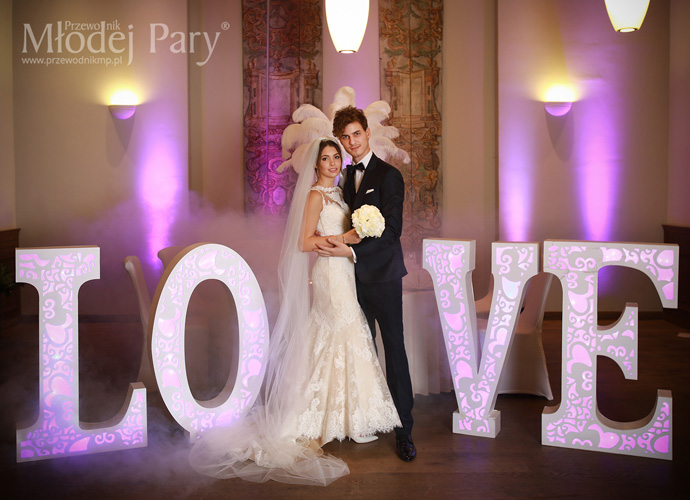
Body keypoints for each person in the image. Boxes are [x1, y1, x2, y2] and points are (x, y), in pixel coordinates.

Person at [189, 137, 400, 486]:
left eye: (336, 157)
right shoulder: (315, 195)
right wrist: (342, 240)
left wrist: (359, 233)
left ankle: (352, 419)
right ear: (315, 165)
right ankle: (319, 419)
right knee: (342, 332)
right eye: (326, 159)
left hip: (346, 270)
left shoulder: (340, 193)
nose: (333, 163)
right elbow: (303, 242)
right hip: (330, 273)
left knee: (348, 334)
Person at [315, 106, 416, 462]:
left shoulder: (389, 176)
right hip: (349, 282)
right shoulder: (341, 178)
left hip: (383, 278)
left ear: (368, 133)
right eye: (344, 137)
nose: (351, 142)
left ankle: (405, 431)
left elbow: (392, 231)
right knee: (361, 352)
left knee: (394, 351)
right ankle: (364, 420)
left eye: (356, 134)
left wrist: (352, 252)